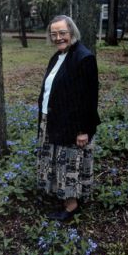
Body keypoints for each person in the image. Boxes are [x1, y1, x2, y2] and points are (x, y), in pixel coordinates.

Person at [37, 15, 100, 221]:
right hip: (53, 120)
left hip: (72, 125)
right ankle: (63, 197)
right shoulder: (57, 56)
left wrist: (84, 130)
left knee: (70, 164)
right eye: (54, 34)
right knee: (57, 162)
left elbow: (89, 98)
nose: (58, 37)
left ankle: (71, 207)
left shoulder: (84, 58)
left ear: (71, 32)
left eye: (62, 33)